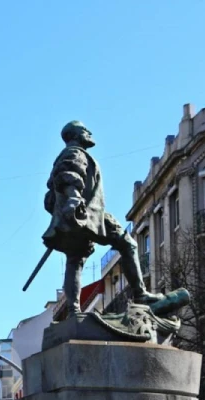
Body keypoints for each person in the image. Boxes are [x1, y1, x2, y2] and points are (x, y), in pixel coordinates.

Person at [42, 121, 163, 312]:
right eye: (84, 130)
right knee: (128, 244)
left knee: (75, 260)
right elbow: (69, 176)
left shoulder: (63, 157)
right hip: (88, 214)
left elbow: (50, 196)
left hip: (75, 215)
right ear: (74, 135)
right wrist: (73, 199)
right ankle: (141, 295)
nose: (89, 132)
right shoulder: (75, 153)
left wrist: (62, 212)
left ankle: (73, 311)